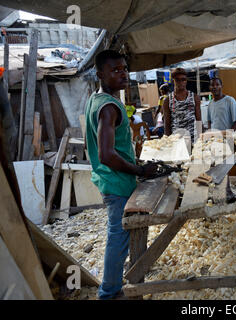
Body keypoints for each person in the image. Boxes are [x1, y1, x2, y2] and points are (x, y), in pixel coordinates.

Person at [84, 50, 157, 300]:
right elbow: (106, 154)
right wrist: (138, 170)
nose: (122, 73)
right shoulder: (109, 108)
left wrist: (137, 163)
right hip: (115, 182)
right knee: (118, 237)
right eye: (115, 70)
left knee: (120, 234)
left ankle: (123, 277)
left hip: (111, 180)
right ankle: (109, 292)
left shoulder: (97, 98)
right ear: (100, 74)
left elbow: (112, 148)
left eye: (124, 68)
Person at [163, 68, 201, 143]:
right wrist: (167, 141)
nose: (180, 82)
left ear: (186, 81)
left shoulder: (194, 97)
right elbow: (167, 124)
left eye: (183, 79)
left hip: (192, 139)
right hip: (176, 140)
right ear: (173, 81)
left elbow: (198, 120)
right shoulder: (167, 100)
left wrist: (200, 139)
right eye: (177, 80)